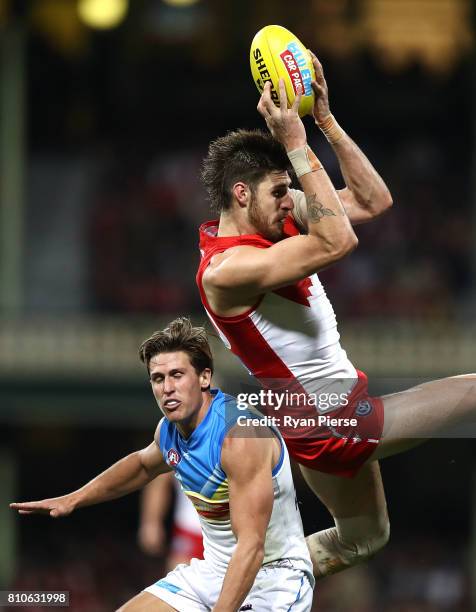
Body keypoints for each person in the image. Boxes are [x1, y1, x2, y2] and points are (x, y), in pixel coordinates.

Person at [197, 53, 476, 578]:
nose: (289, 201)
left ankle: (233, 588)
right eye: (279, 192)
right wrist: (298, 145)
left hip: (318, 416)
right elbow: (339, 238)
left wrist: (323, 119)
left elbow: (372, 202)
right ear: (240, 194)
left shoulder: (273, 218)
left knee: (364, 539)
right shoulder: (225, 270)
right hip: (328, 419)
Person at [11, 318, 314, 612]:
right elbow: (143, 466)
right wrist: (73, 499)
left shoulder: (240, 437)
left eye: (177, 375)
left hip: (272, 578)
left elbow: (251, 546)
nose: (167, 388)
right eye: (158, 378)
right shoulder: (168, 431)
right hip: (212, 571)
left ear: (204, 378)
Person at [138, 471, 204, 570]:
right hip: (189, 529)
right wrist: (151, 522)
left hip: (230, 535)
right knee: (180, 582)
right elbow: (160, 479)